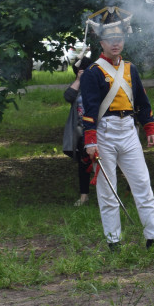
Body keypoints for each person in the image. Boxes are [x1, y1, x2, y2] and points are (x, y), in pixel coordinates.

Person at [80, 9, 154, 249]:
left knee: (142, 184)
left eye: (119, 39)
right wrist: (91, 141)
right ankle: (113, 241)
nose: (115, 43)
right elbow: (90, 110)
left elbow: (141, 101)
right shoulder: (93, 73)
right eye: (110, 40)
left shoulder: (131, 69)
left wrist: (150, 127)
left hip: (128, 131)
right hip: (104, 132)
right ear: (101, 42)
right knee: (108, 191)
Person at [63, 56, 95, 206]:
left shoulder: (97, 82)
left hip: (98, 129)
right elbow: (68, 96)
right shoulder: (78, 86)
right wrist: (78, 79)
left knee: (103, 162)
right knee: (83, 162)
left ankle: (107, 194)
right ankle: (84, 195)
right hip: (81, 130)